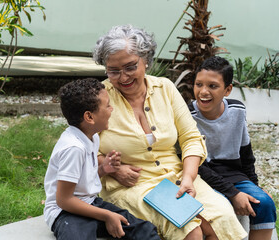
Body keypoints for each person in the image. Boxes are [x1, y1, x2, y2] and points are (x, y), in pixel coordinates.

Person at [92, 25, 248, 240]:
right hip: (132, 185)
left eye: (130, 67)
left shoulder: (165, 88)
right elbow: (82, 150)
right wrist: (113, 169)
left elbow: (191, 138)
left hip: (176, 177)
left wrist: (188, 177)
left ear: (145, 60)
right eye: (113, 71)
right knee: (189, 229)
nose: (123, 77)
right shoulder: (98, 98)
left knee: (221, 219)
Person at [43, 78, 161, 240]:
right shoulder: (74, 148)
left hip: (90, 203)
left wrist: (103, 170)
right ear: (89, 117)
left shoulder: (92, 137)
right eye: (107, 105)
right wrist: (106, 215)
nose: (111, 109)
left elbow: (82, 183)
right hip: (66, 212)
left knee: (144, 231)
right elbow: (64, 200)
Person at [188, 56, 277, 240]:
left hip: (233, 174)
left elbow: (246, 155)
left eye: (212, 86)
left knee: (264, 203)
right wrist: (233, 194)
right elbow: (195, 166)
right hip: (201, 176)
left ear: (227, 90)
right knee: (224, 207)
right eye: (199, 84)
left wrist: (254, 187)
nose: (203, 92)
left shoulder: (237, 110)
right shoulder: (187, 115)